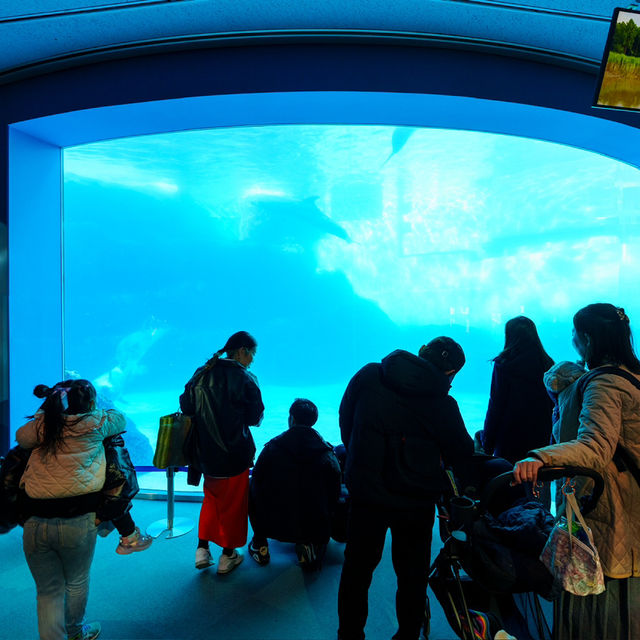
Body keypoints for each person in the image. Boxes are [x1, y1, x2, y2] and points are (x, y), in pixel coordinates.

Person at [513, 303, 640, 640]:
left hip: (610, 512)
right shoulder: (633, 379)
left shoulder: (606, 384)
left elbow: (595, 446)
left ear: (585, 337)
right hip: (628, 507)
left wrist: (539, 457)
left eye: (574, 332)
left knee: (601, 601)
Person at [337, 337, 473, 640]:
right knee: (411, 574)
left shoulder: (370, 374)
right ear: (451, 373)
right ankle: (408, 634)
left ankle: (349, 635)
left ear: (421, 350)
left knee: (357, 570)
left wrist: (360, 458)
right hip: (415, 500)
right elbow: (461, 452)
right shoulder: (443, 402)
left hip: (366, 494)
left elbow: (345, 418)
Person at [16, 379, 127, 640]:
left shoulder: (41, 426)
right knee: (76, 582)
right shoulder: (95, 423)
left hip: (34, 520)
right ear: (89, 402)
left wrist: (46, 413)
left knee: (47, 590)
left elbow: (21, 437)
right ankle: (76, 633)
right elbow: (119, 419)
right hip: (77, 520)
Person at [180, 330, 264, 574]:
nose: (252, 360)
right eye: (252, 354)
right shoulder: (245, 378)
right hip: (234, 453)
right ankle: (228, 555)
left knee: (212, 499)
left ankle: (202, 549)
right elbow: (254, 418)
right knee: (234, 504)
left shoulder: (201, 372)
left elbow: (186, 406)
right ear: (241, 351)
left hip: (204, 453)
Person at [248, 398, 341, 570]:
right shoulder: (326, 454)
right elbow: (334, 491)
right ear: (314, 420)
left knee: (250, 483)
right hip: (313, 521)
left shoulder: (272, 448)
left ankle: (260, 543)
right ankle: (310, 543)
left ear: (291, 419)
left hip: (273, 522)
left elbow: (257, 483)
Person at [481, 316, 554, 464]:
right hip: (542, 439)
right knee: (538, 483)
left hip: (509, 438)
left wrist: (487, 443)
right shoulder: (547, 363)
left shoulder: (504, 364)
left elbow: (496, 404)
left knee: (509, 482)